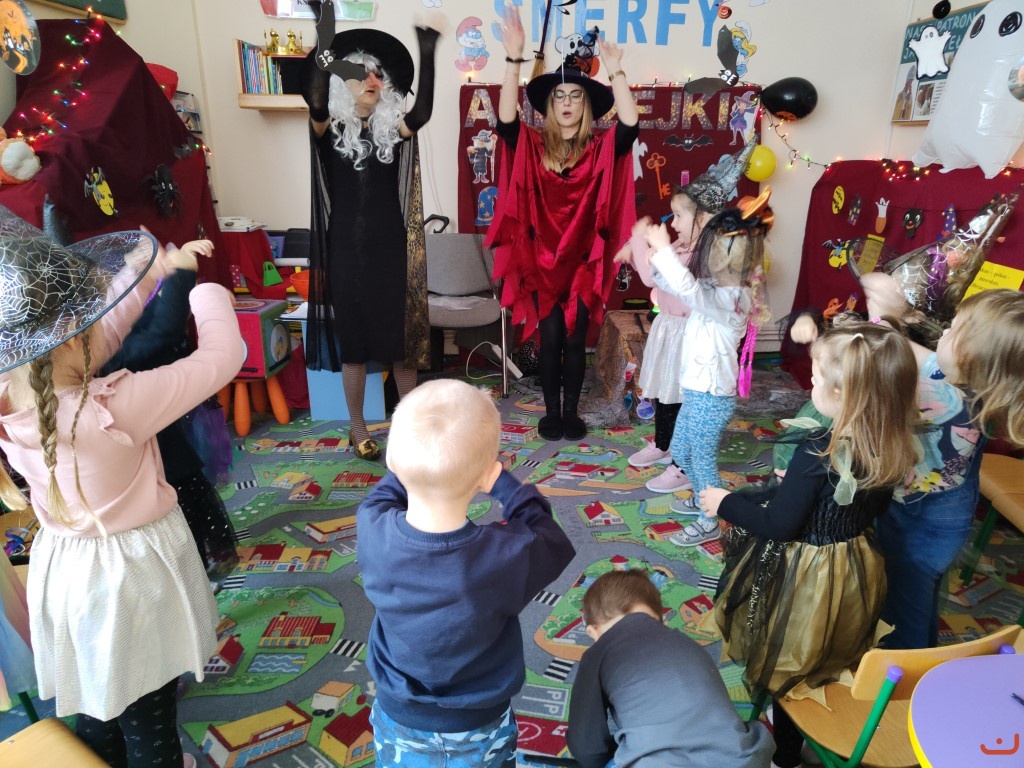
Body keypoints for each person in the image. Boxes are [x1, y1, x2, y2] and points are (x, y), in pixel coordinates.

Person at [0, 206, 243, 767]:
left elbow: (98, 336)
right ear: (69, 335)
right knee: (149, 724)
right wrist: (208, 293)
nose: (101, 321)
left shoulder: (15, 398)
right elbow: (222, 357)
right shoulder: (114, 407)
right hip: (130, 583)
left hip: (68, 575)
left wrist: (155, 270)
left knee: (100, 701)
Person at [698, 322, 920, 768]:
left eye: (816, 379)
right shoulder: (894, 442)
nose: (810, 385)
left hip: (806, 573)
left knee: (788, 656)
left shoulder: (818, 450)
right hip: (854, 563)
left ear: (841, 395)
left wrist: (725, 502)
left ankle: (785, 754)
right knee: (833, 642)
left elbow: (779, 525)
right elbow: (871, 509)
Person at [356, 378, 576, 766]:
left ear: (392, 462)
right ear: (483, 477)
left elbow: (385, 493)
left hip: (398, 719)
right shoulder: (505, 555)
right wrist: (501, 483)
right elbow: (550, 537)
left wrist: (413, 463)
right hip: (480, 726)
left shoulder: (372, 527)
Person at [487, 5, 639, 441]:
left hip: (581, 264)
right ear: (550, 104)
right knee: (550, 338)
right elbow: (505, 120)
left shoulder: (600, 149)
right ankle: (551, 412)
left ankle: (570, 412)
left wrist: (616, 68)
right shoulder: (533, 146)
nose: (567, 103)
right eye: (560, 96)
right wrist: (513, 58)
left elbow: (630, 124)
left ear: (586, 104)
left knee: (575, 340)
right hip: (541, 261)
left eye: (575, 96)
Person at [300, 0, 442, 460]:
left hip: (389, 251)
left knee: (399, 344)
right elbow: (316, 96)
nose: (373, 81)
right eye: (362, 75)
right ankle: (357, 427)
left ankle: (409, 426)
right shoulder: (326, 128)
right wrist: (325, 28)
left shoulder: (391, 133)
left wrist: (427, 51)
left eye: (379, 76)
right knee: (356, 347)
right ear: (342, 84)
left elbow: (421, 112)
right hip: (346, 253)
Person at [862, 273, 1024, 649]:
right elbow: (922, 357)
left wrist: (882, 318)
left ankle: (906, 667)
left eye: (954, 331)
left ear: (974, 358)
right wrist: (888, 318)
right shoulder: (971, 381)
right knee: (915, 596)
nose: (945, 331)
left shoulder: (952, 401)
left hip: (920, 524)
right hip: (935, 514)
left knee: (905, 609)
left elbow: (891, 359)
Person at [617, 142, 755, 494]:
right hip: (696, 376)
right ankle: (678, 462)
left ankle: (698, 492)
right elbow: (663, 281)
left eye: (679, 216)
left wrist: (659, 250)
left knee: (696, 442)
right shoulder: (702, 270)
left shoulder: (727, 293)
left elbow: (689, 291)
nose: (673, 222)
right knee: (675, 415)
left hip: (709, 386)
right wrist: (644, 246)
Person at [98, 239, 239, 584]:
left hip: (155, 464)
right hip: (153, 477)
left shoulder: (91, 349)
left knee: (185, 502)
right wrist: (186, 280)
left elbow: (135, 324)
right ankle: (195, 574)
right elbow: (165, 333)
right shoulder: (111, 361)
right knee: (181, 520)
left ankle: (200, 568)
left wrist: (160, 275)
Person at [642, 196, 774, 546]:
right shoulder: (714, 289)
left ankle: (710, 518)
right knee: (682, 452)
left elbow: (687, 288)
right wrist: (656, 255)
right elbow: (675, 285)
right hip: (696, 392)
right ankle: (702, 496)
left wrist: (663, 252)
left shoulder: (734, 298)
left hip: (711, 397)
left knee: (701, 460)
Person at [566, 569, 775, 768]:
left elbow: (586, 747)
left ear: (592, 631)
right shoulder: (689, 645)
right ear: (663, 621)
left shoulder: (598, 652)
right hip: (743, 759)